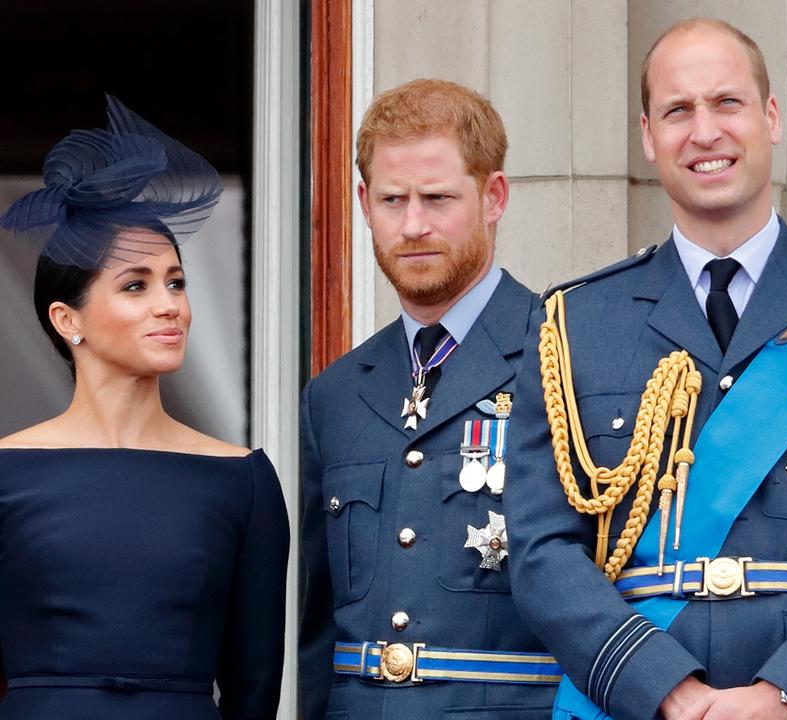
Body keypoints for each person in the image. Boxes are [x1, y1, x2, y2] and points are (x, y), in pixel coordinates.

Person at [504, 18, 787, 720]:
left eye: (727, 102)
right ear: (648, 135)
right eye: (678, 110)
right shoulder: (573, 324)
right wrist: (665, 690)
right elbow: (540, 551)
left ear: (771, 118)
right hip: (638, 704)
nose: (704, 131)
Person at [0, 97, 289, 720]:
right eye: (136, 285)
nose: (171, 306)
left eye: (177, 282)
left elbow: (254, 689)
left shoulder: (245, 482)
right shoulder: (5, 472)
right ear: (66, 319)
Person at [298, 78, 560, 720]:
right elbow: (318, 634)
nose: (412, 225)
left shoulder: (566, 357)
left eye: (437, 198)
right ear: (363, 203)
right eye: (392, 200)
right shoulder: (334, 394)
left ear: (493, 196)